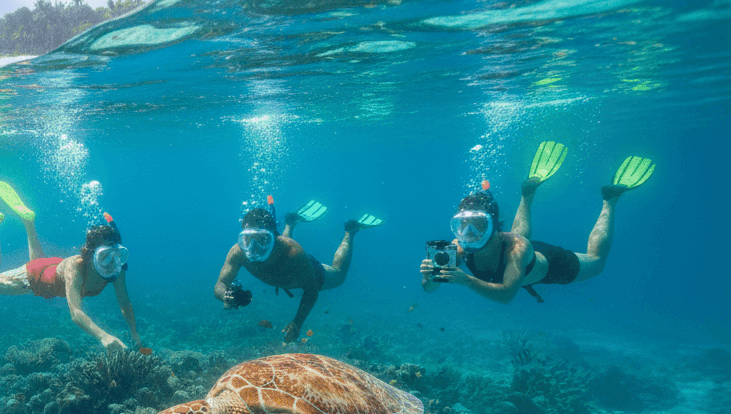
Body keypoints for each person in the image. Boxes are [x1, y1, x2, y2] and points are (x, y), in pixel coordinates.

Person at [420, 143, 656, 303]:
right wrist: (428, 277)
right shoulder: (458, 247)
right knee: (517, 239)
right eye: (462, 226)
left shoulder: (517, 248)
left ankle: (609, 201)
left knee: (596, 263)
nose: (469, 234)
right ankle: (527, 193)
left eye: (478, 226)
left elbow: (506, 295)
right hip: (516, 250)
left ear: (493, 225)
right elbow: (430, 289)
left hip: (553, 265)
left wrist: (466, 280)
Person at [0, 177, 143, 350]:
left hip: (51, 268)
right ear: (90, 255)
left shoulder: (116, 267)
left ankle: (28, 222)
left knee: (37, 263)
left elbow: (125, 303)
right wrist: (104, 336)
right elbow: (76, 313)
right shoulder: (75, 268)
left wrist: (134, 333)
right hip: (34, 277)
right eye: (104, 256)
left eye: (117, 254)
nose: (111, 262)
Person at [212, 196, 382, 342]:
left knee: (339, 275)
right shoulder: (237, 252)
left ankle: (350, 232)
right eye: (247, 240)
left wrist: (297, 323)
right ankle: (290, 223)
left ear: (274, 237)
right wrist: (227, 296)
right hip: (285, 264)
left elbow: (311, 290)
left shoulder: (293, 252)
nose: (254, 249)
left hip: (306, 269)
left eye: (263, 240)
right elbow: (220, 284)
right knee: (279, 249)